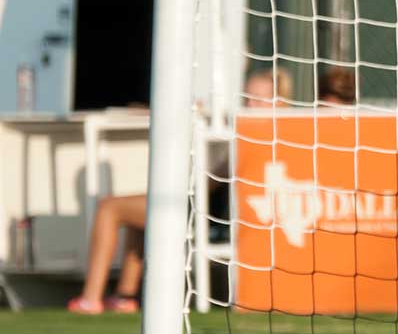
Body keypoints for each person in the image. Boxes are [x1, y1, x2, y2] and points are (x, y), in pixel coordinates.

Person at [68, 67, 289, 314]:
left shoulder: (264, 138)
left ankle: (90, 298)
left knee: (109, 207)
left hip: (205, 214)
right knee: (136, 213)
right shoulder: (247, 132)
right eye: (247, 98)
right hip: (202, 205)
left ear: (279, 104)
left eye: (258, 99)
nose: (250, 105)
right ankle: (125, 297)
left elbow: (209, 184)